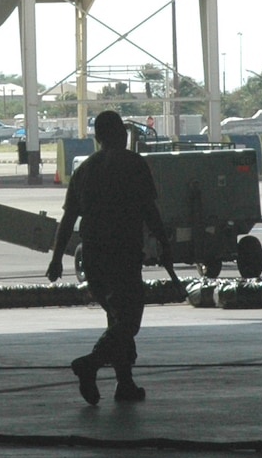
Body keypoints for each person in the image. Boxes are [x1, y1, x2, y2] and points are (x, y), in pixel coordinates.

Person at [46, 111, 171, 404]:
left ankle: (124, 383)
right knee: (128, 322)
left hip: (93, 256)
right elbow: (148, 210)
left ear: (97, 138)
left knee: (115, 319)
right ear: (121, 135)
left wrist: (56, 259)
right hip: (122, 253)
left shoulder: (85, 170)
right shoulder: (133, 164)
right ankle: (89, 365)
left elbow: (67, 220)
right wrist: (164, 243)